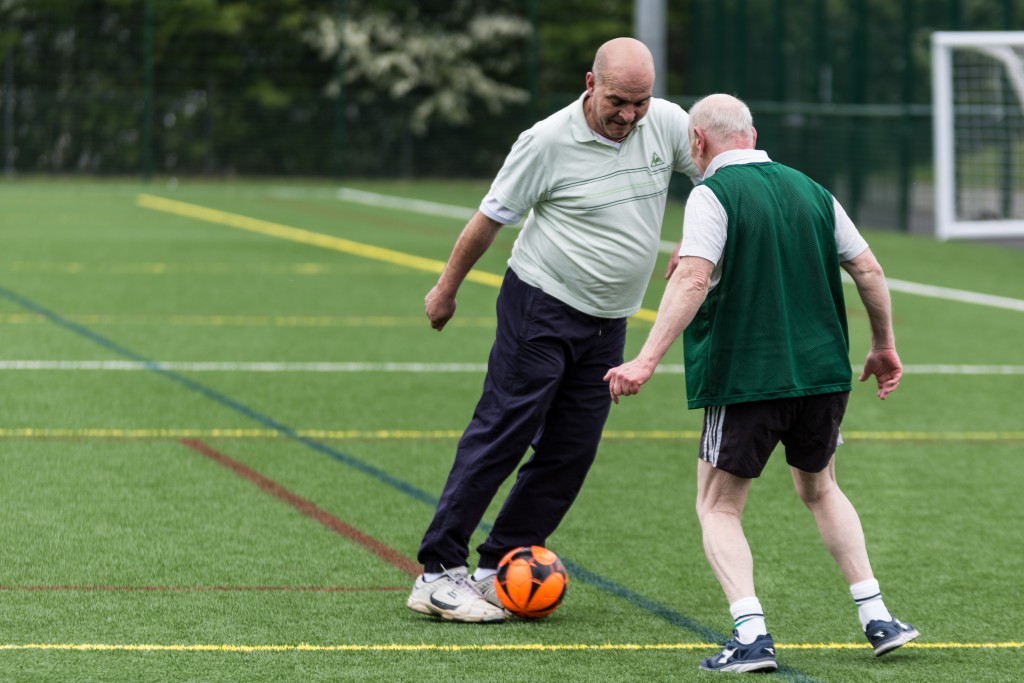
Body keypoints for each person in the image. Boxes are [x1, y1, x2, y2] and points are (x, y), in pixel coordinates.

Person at [604, 94, 919, 672]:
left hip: (748, 376)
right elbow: (868, 270)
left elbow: (694, 277)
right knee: (821, 488)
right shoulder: (811, 189)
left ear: (697, 143)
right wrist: (882, 345)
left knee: (718, 506)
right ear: (752, 134)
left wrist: (645, 359)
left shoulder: (712, 193)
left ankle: (751, 635)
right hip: (823, 376)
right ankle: (878, 617)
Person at [405, 37, 702, 623]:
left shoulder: (666, 123)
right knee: (504, 429)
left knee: (571, 449)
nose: (628, 115)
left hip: (609, 322)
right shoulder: (545, 141)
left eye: (639, 103)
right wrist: (446, 288)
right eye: (618, 100)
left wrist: (697, 241)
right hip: (541, 305)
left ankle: (502, 562)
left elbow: (717, 178)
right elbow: (489, 219)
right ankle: (437, 572)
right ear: (590, 84)